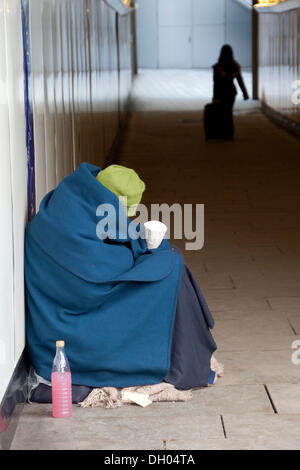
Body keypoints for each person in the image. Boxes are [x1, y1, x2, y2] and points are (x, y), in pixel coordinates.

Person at [25, 164, 223, 404]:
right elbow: (117, 270)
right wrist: (154, 247)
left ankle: (183, 354)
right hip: (71, 324)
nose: (127, 218)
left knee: (169, 260)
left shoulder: (69, 200)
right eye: (125, 212)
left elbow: (116, 239)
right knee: (171, 269)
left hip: (55, 311)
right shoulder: (91, 227)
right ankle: (180, 359)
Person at [213, 44, 249, 109]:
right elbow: (240, 81)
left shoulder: (217, 67)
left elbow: (216, 83)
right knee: (229, 113)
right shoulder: (235, 66)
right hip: (231, 92)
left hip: (220, 93)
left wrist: (214, 97)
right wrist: (245, 93)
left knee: (221, 114)